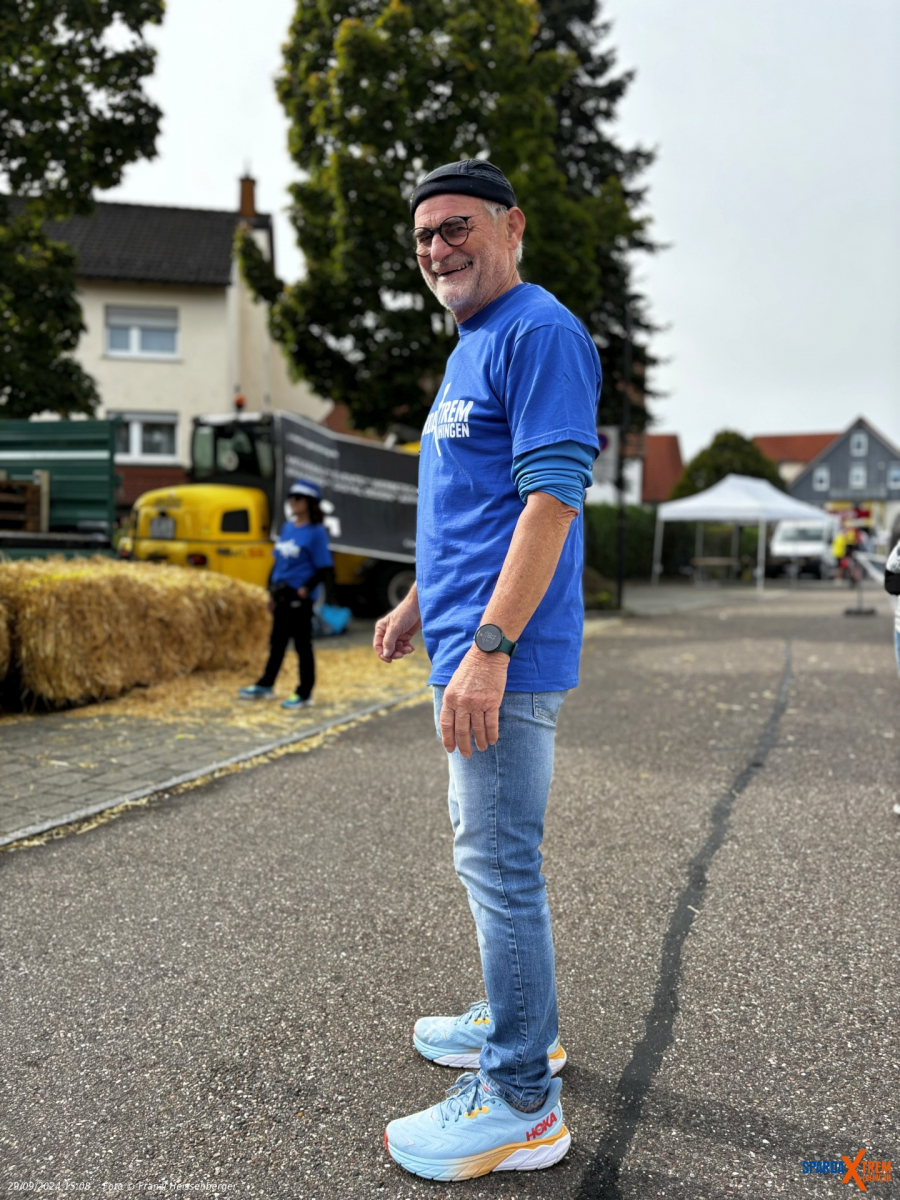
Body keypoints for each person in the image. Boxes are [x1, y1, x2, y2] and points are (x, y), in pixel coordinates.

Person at [373, 159, 600, 1181]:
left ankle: (519, 1101)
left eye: (457, 227)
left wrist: (490, 649)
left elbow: (551, 502)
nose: (437, 248)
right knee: (488, 858)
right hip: (468, 643)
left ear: (512, 227)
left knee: (500, 864)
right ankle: (518, 1028)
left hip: (501, 656)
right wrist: (419, 606)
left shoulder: (538, 332)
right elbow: (477, 508)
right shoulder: (474, 341)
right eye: (424, 236)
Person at [239, 479, 333, 710]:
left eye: (297, 498)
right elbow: (278, 562)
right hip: (281, 594)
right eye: (291, 497)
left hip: (299, 598)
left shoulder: (316, 532)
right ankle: (266, 684)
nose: (292, 501)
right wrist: (270, 592)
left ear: (310, 502)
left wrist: (305, 589)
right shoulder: (288, 528)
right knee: (277, 642)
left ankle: (304, 693)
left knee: (302, 645)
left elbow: (325, 568)